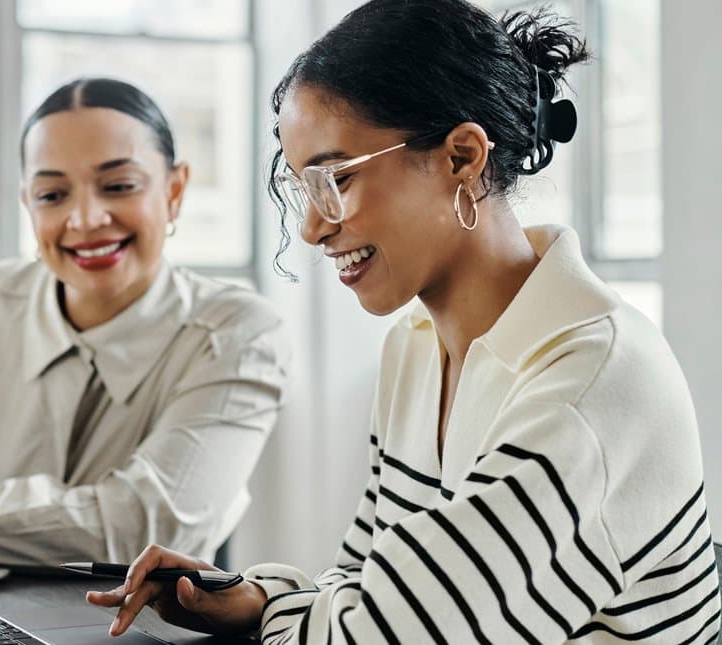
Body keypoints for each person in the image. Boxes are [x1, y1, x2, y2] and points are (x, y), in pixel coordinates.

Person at [90, 1, 721, 641]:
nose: (311, 227)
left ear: (462, 157)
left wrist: (288, 614)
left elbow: (388, 633)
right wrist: (256, 599)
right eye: (302, 187)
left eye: (335, 177)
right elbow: (363, 581)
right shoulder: (415, 349)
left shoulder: (593, 384)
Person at [0, 78, 289, 567]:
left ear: (175, 191)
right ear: (27, 205)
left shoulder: (237, 334)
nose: (86, 219)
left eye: (118, 187)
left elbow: (144, 532)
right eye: (52, 195)